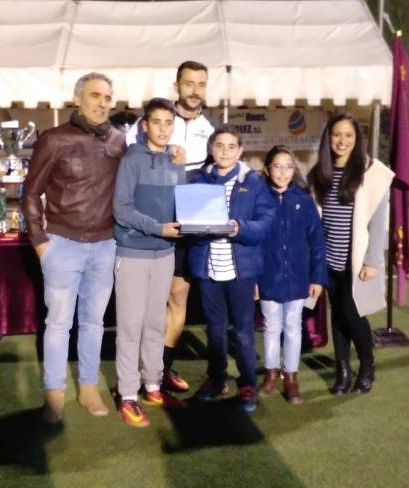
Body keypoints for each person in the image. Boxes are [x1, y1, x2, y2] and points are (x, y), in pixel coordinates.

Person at [22, 73, 126, 423]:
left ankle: (88, 388)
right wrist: (40, 241)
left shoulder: (118, 140)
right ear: (78, 99)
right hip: (62, 245)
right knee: (58, 324)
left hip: (105, 245)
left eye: (107, 97)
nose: (102, 103)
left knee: (94, 323)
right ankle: (54, 394)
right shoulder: (54, 139)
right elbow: (30, 192)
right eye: (95, 95)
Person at [126, 61, 215, 393]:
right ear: (177, 86)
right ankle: (139, 369)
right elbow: (131, 157)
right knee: (150, 301)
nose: (195, 90)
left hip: (188, 226)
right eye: (189, 83)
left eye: (201, 84)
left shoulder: (210, 129)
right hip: (153, 223)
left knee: (178, 297)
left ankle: (162, 368)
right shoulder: (155, 121)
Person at [188, 125, 275, 413]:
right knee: (215, 331)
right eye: (219, 146)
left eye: (231, 146)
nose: (224, 151)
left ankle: (247, 384)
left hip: (241, 272)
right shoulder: (198, 180)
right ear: (211, 149)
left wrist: (241, 228)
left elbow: (266, 222)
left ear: (240, 151)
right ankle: (217, 379)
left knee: (243, 333)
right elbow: (188, 220)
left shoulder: (254, 182)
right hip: (209, 269)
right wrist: (191, 226)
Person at [307, 112, 394, 395]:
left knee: (353, 313)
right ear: (328, 138)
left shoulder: (371, 172)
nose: (342, 141)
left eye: (348, 135)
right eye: (336, 135)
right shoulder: (319, 173)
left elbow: (379, 221)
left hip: (355, 261)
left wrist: (372, 261)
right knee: (337, 315)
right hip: (327, 258)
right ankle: (342, 370)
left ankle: (367, 366)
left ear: (357, 139)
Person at [113, 98, 186, 428]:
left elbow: (183, 207)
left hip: (165, 253)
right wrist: (158, 228)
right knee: (130, 326)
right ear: (145, 125)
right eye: (156, 122)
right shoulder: (132, 159)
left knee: (155, 323)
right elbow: (121, 209)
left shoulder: (176, 160)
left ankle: (153, 386)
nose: (163, 129)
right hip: (132, 252)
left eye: (168, 123)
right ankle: (128, 395)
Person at [257, 145, 328, 404]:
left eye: (288, 166)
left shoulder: (303, 199)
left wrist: (317, 277)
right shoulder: (258, 199)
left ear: (294, 169)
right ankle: (271, 373)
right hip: (267, 276)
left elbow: (317, 241)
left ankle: (291, 376)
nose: (283, 172)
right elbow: (252, 242)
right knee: (270, 326)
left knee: (293, 325)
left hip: (298, 277)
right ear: (267, 169)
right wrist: (253, 278)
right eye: (277, 166)